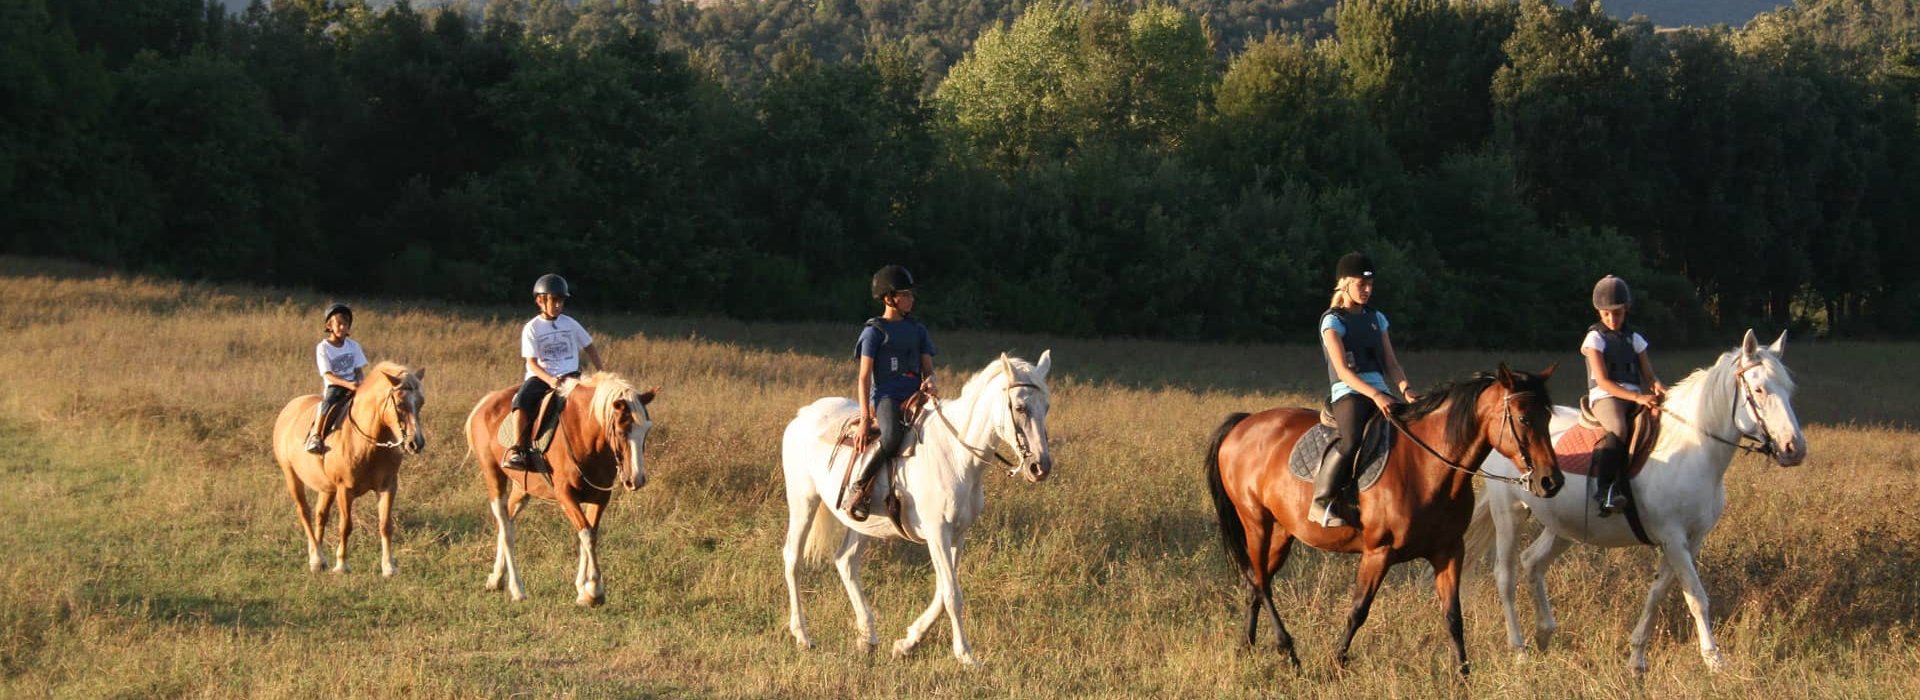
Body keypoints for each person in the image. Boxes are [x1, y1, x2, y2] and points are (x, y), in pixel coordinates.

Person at [1312, 252, 1418, 528]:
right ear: (1344, 284)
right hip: (1348, 392)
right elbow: (1344, 371)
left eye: (1371, 285)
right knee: (1351, 441)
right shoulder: (1332, 321)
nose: (1368, 290)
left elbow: (1391, 363)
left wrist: (1406, 390)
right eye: (1362, 284)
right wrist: (1375, 395)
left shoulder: (1377, 318)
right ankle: (1321, 502)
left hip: (1380, 389)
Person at [846, 265, 937, 521]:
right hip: (887, 398)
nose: (911, 299)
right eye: (905, 294)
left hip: (915, 397)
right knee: (892, 437)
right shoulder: (873, 332)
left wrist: (931, 383)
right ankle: (860, 487)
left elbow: (929, 370)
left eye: (910, 294)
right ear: (889, 299)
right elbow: (864, 377)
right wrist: (865, 419)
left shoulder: (918, 330)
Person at [1582, 274, 1665, 516]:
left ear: (1626, 310)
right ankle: (1604, 489)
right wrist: (1638, 398)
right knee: (1618, 429)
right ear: (1599, 312)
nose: (1612, 318)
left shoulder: (1635, 338)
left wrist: (1659, 387)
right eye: (1606, 313)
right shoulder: (1594, 338)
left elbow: (1649, 376)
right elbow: (1605, 382)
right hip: (1605, 397)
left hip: (1632, 395)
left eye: (1617, 313)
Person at [504, 273, 605, 471]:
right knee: (521, 400)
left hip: (573, 376)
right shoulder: (532, 328)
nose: (558, 305)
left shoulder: (570, 323)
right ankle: (518, 449)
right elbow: (531, 363)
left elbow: (590, 346)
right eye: (554, 300)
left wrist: (602, 374)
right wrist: (550, 380)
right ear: (540, 301)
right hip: (543, 377)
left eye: (561, 301)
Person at [306, 303, 368, 454]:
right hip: (336, 385)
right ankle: (316, 436)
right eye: (338, 323)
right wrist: (347, 384)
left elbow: (358, 370)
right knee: (328, 402)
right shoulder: (323, 348)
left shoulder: (353, 346)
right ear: (329, 325)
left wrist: (360, 382)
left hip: (355, 383)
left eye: (345, 324)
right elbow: (327, 374)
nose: (342, 327)